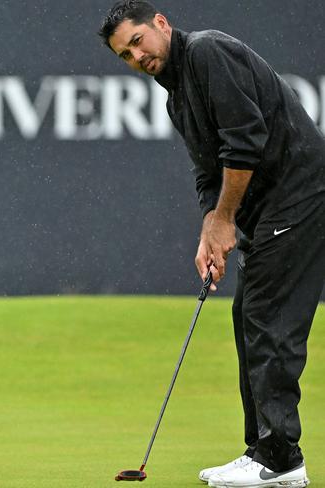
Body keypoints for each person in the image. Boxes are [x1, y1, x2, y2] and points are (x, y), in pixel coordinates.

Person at [97, 1, 325, 487]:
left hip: (299, 197)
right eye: (125, 56)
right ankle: (267, 453)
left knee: (268, 322)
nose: (137, 57)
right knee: (251, 318)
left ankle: (281, 459)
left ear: (161, 23)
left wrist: (225, 221)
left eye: (137, 42)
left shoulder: (207, 52)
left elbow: (246, 140)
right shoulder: (175, 98)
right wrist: (211, 227)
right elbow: (209, 171)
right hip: (271, 211)